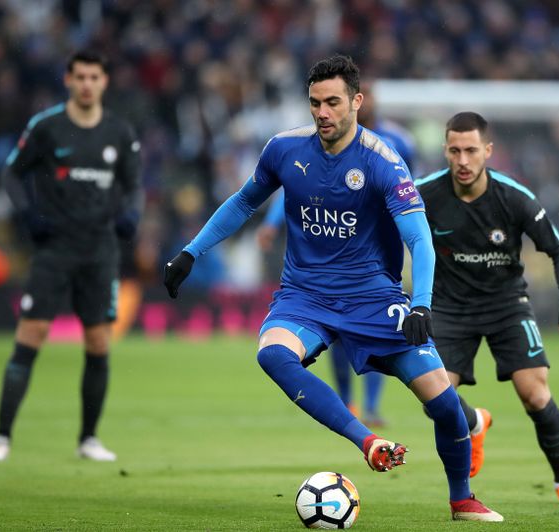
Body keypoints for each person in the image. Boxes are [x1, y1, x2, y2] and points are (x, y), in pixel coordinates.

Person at [163, 55, 502, 521]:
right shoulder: (284, 149)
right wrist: (190, 252)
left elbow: (419, 237)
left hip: (373, 299)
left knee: (444, 405)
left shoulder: (383, 160)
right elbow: (244, 202)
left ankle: (462, 497)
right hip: (305, 297)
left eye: (333, 102)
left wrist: (420, 304)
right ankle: (367, 439)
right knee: (271, 354)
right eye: (315, 103)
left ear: (357, 103)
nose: (322, 112)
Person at [414, 112, 559, 506]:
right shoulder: (424, 193)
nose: (462, 160)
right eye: (455, 150)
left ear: (487, 151)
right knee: (435, 401)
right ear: (445, 150)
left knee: (535, 394)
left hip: (506, 305)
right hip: (449, 307)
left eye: (471, 150)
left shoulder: (514, 197)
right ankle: (475, 423)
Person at [0, 50, 142, 463]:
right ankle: (1, 437)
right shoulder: (47, 127)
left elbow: (133, 186)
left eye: (94, 77)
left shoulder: (120, 133)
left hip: (99, 251)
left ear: (105, 82)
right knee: (30, 335)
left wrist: (129, 216)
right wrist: (27, 216)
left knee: (99, 340)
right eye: (80, 76)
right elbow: (12, 173)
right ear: (68, 80)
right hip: (54, 249)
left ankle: (88, 439)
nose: (87, 84)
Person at [255, 81, 416, 427]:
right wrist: (271, 222)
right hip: (329, 255)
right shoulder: (314, 146)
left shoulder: (396, 144)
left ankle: (371, 405)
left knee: (378, 337)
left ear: (360, 101)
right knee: (338, 338)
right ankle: (347, 402)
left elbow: (409, 189)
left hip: (375, 256)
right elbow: (296, 188)